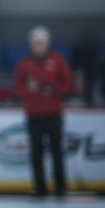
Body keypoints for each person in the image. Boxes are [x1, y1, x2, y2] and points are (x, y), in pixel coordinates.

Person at [12, 26, 72, 196]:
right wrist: (30, 90)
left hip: (54, 113)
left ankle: (61, 186)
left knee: (56, 150)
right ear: (31, 44)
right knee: (36, 152)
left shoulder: (58, 60)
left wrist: (53, 87)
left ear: (47, 44)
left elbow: (67, 85)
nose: (39, 46)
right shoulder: (24, 63)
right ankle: (40, 187)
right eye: (36, 43)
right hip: (34, 114)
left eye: (41, 43)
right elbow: (17, 88)